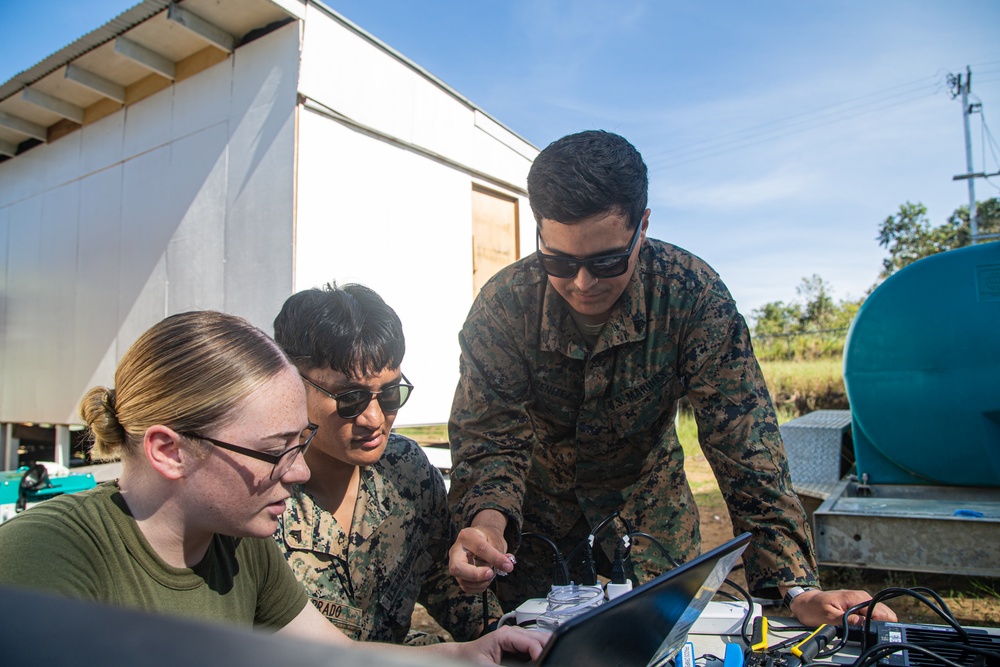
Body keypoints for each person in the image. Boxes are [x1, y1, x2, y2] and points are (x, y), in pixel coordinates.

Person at [446, 130, 896, 628]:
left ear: (643, 226)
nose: (582, 283)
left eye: (606, 261)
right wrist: (489, 524)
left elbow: (747, 446)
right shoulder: (505, 306)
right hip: (534, 529)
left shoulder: (691, 296)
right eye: (559, 261)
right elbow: (490, 437)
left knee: (664, 644)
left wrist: (797, 585)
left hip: (650, 520)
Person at [0, 311, 546, 664]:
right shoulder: (46, 558)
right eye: (273, 449)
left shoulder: (240, 548)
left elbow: (341, 657)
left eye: (299, 442)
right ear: (168, 450)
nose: (301, 470)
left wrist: (474, 654)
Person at [271, 283, 501, 644]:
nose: (374, 418)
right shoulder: (263, 496)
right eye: (350, 398)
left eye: (391, 394)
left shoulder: (406, 470)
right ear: (291, 382)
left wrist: (500, 632)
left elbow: (436, 575)